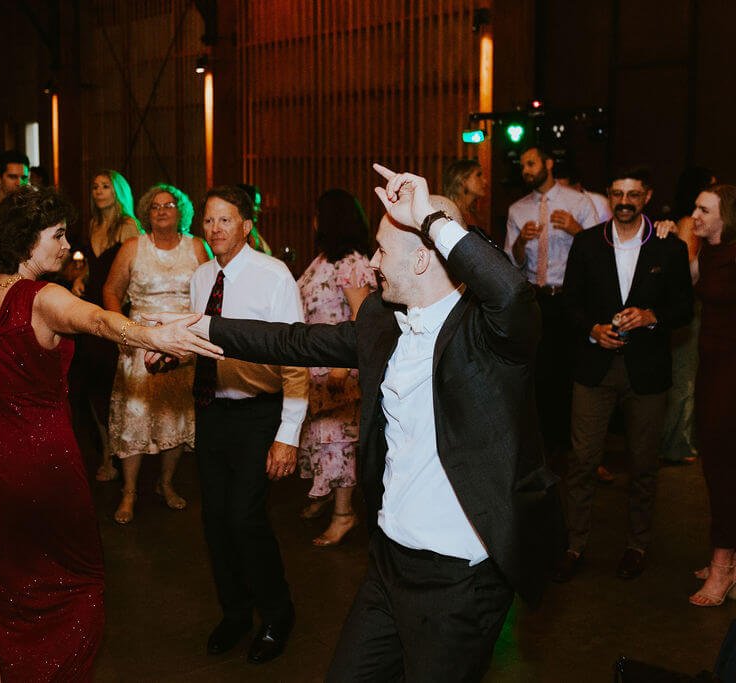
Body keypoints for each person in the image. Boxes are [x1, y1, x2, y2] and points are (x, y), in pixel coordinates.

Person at [155, 167, 561, 679]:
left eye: (383, 252)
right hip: (389, 563)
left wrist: (430, 217)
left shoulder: (492, 334)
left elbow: (510, 291)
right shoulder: (381, 322)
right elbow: (292, 342)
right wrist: (198, 327)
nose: (371, 263)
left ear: (421, 257)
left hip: (461, 579)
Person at [0, 185, 219, 681]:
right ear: (27, 241)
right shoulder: (44, 297)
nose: (66, 246)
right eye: (58, 235)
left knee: (2, 590)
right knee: (72, 586)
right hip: (42, 459)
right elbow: (96, 319)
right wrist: (154, 335)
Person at [153, 185, 308, 665]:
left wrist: (287, 436)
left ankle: (277, 614)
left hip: (258, 415)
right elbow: (205, 345)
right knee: (216, 521)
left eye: (226, 220)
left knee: (245, 518)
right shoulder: (201, 277)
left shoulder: (274, 275)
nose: (215, 229)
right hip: (212, 413)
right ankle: (237, 613)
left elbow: (297, 362)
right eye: (209, 220)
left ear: (246, 224)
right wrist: (168, 357)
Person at [555, 168, 693, 582]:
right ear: (609, 197)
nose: (625, 201)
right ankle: (573, 544)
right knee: (581, 461)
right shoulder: (585, 243)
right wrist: (591, 330)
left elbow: (684, 309)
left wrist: (652, 316)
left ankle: (637, 544)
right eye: (617, 194)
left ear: (647, 196)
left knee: (643, 463)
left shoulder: (669, 248)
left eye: (633, 194)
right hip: (594, 367)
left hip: (647, 371)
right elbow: (569, 305)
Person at [103, 183, 209, 523]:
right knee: (135, 418)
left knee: (173, 416)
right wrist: (121, 329)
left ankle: (166, 483)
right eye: (155, 207)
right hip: (141, 342)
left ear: (181, 212)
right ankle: (129, 491)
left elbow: (210, 293)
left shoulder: (197, 246)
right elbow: (110, 290)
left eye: (169, 205)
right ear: (147, 213)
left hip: (182, 344)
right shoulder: (133, 246)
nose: (162, 210)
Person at [504, 146, 599, 456]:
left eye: (531, 163)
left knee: (571, 372)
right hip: (535, 298)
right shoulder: (517, 210)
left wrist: (577, 230)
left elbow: (601, 253)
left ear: (547, 164)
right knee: (538, 373)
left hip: (570, 299)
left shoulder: (578, 201)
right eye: (522, 166)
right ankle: (540, 446)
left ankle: (575, 446)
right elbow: (511, 262)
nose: (525, 170)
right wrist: (521, 243)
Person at [294, 189, 374, 546]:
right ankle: (323, 494)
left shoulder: (353, 263)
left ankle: (345, 514)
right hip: (315, 364)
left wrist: (343, 367)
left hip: (339, 367)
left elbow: (362, 318)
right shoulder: (323, 259)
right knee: (319, 437)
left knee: (338, 441)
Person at [71, 169, 142, 483]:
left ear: (118, 192)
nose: (98, 191)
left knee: (114, 385)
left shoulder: (128, 226)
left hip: (116, 308)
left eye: (105, 186)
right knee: (91, 385)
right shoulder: (91, 225)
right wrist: (77, 279)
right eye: (95, 186)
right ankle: (106, 453)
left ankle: (120, 455)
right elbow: (87, 266)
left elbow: (134, 272)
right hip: (89, 309)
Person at [686, 184, 736, 606]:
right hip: (712, 368)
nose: (695, 215)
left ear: (727, 215)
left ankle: (723, 568)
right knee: (716, 463)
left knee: (723, 467)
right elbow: (690, 286)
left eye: (704, 209)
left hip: (731, 375)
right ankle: (730, 559)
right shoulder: (709, 251)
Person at [657, 167, 715, 466]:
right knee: (685, 377)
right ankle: (676, 444)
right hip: (690, 309)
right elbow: (687, 272)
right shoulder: (689, 226)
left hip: (692, 308)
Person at [441, 158, 487, 232]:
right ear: (462, 180)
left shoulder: (473, 214)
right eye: (478, 175)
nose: (485, 181)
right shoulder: (448, 214)